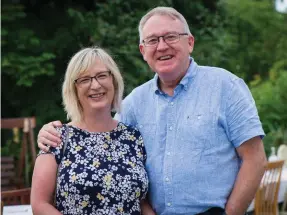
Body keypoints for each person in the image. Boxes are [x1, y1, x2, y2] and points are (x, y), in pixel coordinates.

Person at [37, 7, 267, 215]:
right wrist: (49, 131)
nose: (162, 46)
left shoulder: (225, 86)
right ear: (142, 50)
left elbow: (255, 158)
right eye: (153, 40)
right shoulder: (135, 103)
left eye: (170, 37)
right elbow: (100, 136)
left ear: (190, 42)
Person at [31, 47, 155, 215]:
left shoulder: (132, 137)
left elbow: (141, 201)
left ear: (114, 81)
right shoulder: (57, 137)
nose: (95, 85)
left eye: (102, 76)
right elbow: (40, 204)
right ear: (74, 88)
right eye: (85, 79)